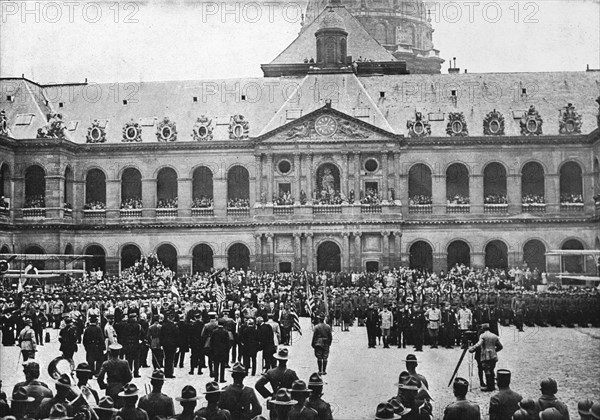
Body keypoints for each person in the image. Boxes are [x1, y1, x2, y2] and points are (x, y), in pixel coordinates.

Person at [255, 348, 299, 419]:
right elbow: (298, 388)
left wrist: (269, 394)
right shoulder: (291, 373)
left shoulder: (270, 372)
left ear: (277, 359)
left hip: (275, 400)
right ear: (286, 360)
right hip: (287, 401)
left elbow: (258, 385)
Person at [469, 323, 502, 392]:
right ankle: (492, 385)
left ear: (483, 329)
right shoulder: (494, 336)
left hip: (485, 355)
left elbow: (479, 344)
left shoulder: (482, 336)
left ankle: (489, 386)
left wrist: (472, 349)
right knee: (492, 369)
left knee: (487, 370)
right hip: (493, 355)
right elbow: (500, 346)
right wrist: (494, 350)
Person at [97, 343, 133, 407]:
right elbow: (129, 377)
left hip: (110, 388)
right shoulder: (124, 363)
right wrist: (123, 384)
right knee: (120, 407)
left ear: (110, 352)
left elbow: (99, 377)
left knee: (110, 406)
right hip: (121, 388)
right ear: (119, 352)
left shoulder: (106, 363)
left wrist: (104, 386)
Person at [122, 310, 143, 378]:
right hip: (136, 345)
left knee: (129, 360)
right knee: (136, 360)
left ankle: (129, 372)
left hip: (128, 345)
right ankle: (136, 373)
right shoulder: (138, 326)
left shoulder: (126, 326)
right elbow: (142, 334)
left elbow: (123, 336)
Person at [160, 311, 179, 379]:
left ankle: (166, 372)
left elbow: (161, 335)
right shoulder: (175, 326)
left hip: (165, 344)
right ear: (173, 318)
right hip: (173, 345)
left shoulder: (164, 326)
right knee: (171, 359)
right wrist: (177, 346)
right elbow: (177, 337)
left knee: (166, 358)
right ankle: (170, 373)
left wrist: (161, 344)